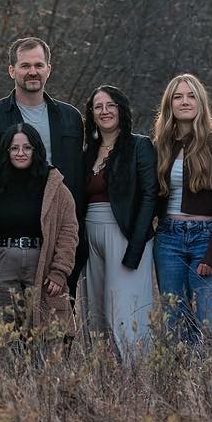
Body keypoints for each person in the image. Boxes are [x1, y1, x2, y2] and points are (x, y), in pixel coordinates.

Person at [152, 73, 212, 349]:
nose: (185, 101)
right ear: (170, 104)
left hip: (207, 238)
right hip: (168, 240)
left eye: (191, 96)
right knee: (175, 322)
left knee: (211, 323)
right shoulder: (161, 144)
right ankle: (181, 388)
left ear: (201, 102)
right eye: (178, 97)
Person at [0, 123, 78, 341]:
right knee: (3, 334)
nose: (20, 153)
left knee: (45, 335)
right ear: (6, 151)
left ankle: (42, 376)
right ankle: (7, 375)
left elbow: (69, 230)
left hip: (41, 263)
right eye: (14, 148)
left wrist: (59, 270)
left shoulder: (54, 186)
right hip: (2, 263)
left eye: (27, 148)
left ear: (36, 150)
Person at [81, 85, 157, 356]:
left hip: (125, 235)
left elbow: (150, 195)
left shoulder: (139, 145)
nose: (104, 111)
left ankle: (137, 378)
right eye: (98, 106)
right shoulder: (88, 152)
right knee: (96, 312)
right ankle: (104, 379)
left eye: (110, 105)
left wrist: (135, 248)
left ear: (121, 109)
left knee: (125, 310)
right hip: (91, 236)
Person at [0, 36, 84, 211]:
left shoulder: (71, 117)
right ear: (11, 71)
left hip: (61, 214)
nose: (33, 72)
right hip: (13, 217)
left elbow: (78, 175)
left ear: (48, 69)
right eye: (25, 66)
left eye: (39, 65)